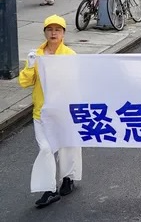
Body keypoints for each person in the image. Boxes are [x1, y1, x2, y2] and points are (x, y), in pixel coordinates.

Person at [19, 15, 81, 208]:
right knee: (46, 149)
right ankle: (50, 189)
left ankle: (68, 178)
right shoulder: (36, 55)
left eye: (57, 30)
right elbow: (24, 83)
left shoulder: (70, 55)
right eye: (50, 29)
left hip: (63, 112)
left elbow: (77, 81)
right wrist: (30, 66)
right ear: (45, 32)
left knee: (67, 146)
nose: (53, 33)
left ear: (63, 33)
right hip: (42, 113)